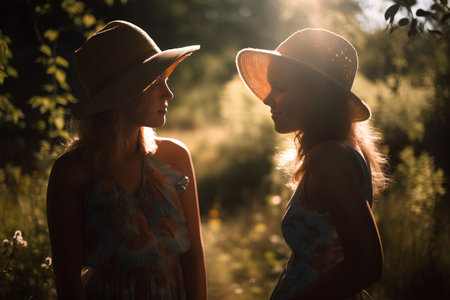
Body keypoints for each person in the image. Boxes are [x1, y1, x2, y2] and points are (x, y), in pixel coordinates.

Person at [46, 20, 207, 300]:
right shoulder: (72, 172)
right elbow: (68, 281)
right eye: (157, 83)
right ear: (125, 93)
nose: (169, 93)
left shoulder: (175, 157)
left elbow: (194, 256)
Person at [236, 29, 389, 299]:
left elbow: (367, 265)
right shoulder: (339, 149)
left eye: (280, 88)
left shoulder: (330, 156)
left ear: (317, 95)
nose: (267, 98)